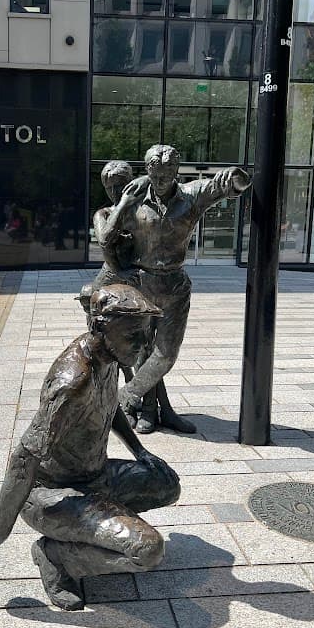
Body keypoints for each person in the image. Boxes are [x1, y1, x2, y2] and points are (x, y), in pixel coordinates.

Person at [0, 283, 180, 611]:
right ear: (101, 327)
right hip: (52, 494)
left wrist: (141, 452)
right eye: (134, 335)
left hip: (94, 475)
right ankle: (56, 556)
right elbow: (23, 460)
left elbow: (110, 407)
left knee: (166, 485)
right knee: (148, 550)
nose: (143, 345)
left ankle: (98, 530)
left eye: (146, 334)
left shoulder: (109, 357)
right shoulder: (72, 382)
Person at [112, 145, 251, 433]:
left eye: (167, 173)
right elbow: (109, 229)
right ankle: (151, 411)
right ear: (147, 169)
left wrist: (233, 176)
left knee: (165, 354)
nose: (161, 179)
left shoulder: (192, 195)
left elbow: (233, 185)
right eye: (155, 173)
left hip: (174, 286)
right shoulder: (135, 196)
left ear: (176, 171)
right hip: (141, 283)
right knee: (143, 352)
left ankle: (126, 396)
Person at [92, 160, 186, 434]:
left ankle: (153, 410)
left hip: (136, 290)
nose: (115, 191)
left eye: (120, 185)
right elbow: (105, 240)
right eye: (109, 187)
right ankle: (140, 409)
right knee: (127, 356)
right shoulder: (105, 213)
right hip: (110, 293)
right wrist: (123, 203)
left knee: (148, 351)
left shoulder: (141, 213)